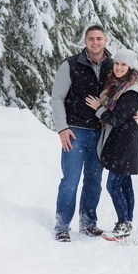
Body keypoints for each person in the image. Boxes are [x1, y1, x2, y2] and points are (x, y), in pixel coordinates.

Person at [51, 25, 113, 242]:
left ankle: (88, 223)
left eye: (98, 38)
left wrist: (132, 113)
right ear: (85, 41)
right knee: (70, 180)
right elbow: (57, 97)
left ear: (105, 40)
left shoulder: (113, 66)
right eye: (91, 39)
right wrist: (62, 128)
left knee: (94, 181)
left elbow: (124, 93)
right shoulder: (70, 65)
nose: (95, 42)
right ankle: (62, 226)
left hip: (101, 132)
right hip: (75, 131)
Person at [85, 48, 138, 239]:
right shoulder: (117, 86)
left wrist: (98, 108)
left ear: (131, 67)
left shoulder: (130, 91)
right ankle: (127, 222)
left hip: (125, 143)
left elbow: (116, 119)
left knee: (114, 185)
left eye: (124, 64)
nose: (119, 67)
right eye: (117, 63)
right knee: (125, 183)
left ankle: (123, 224)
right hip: (120, 140)